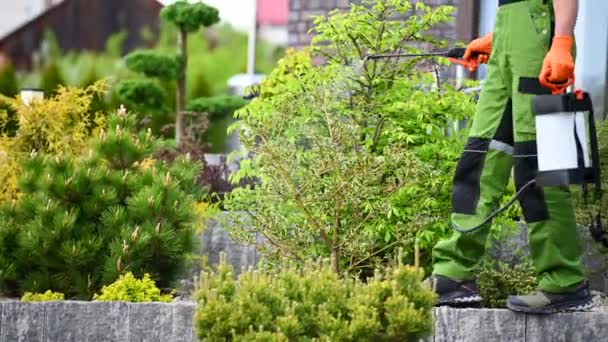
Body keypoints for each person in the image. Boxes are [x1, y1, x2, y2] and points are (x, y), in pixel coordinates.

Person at [427, 0, 594, 314]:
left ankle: (564, 281)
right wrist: (500, 35)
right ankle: (455, 273)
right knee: (480, 156)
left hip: (541, 39)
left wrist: (562, 39)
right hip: (511, 35)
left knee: (540, 164)